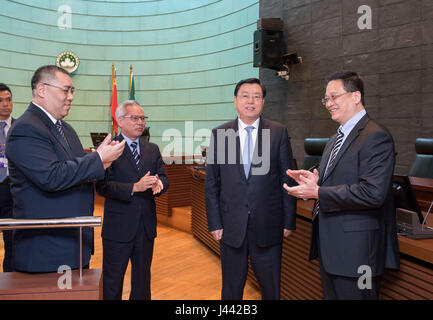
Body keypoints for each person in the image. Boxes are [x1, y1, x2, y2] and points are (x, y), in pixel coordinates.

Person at [283, 71, 400, 300]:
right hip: (332, 250)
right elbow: (339, 182)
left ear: (356, 96)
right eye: (326, 99)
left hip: (358, 255)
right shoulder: (336, 138)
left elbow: (373, 193)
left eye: (334, 97)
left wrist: (318, 192)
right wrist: (314, 181)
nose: (329, 104)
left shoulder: (376, 136)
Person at [6, 65, 125, 273]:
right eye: (66, 90)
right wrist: (97, 159)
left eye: (72, 91)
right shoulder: (26, 128)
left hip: (74, 242)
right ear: (42, 89)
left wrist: (103, 162)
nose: (71, 97)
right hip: (46, 248)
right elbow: (51, 176)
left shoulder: (66, 129)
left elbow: (76, 168)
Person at [205, 78, 296, 300]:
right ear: (235, 101)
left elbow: (287, 180)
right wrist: (215, 222)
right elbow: (212, 183)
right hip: (231, 226)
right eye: (245, 95)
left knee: (271, 288)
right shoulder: (221, 134)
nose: (251, 101)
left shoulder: (278, 132)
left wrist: (288, 220)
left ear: (263, 101)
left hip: (268, 225)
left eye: (257, 96)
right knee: (231, 290)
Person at [97, 100, 168, 300]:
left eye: (142, 118)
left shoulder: (152, 149)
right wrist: (134, 188)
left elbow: (163, 176)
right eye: (134, 118)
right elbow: (101, 186)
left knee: (143, 281)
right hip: (118, 228)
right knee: (113, 281)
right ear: (120, 120)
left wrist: (159, 184)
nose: (140, 122)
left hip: (145, 228)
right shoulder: (109, 148)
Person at [0, 83, 14, 272]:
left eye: (8, 99)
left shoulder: (23, 127)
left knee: (13, 241)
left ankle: (10, 282)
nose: (5, 104)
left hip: (13, 191)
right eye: (1, 100)